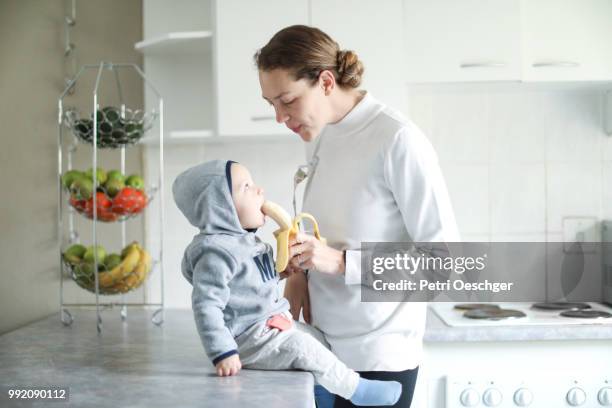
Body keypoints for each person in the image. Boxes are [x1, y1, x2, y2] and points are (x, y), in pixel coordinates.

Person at [254, 25, 459, 407]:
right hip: (322, 349)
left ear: (326, 82)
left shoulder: (396, 139)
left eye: (288, 100)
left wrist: (340, 263)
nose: (280, 117)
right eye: (272, 105)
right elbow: (335, 224)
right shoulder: (324, 134)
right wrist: (301, 273)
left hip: (378, 360)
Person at [172, 159, 403, 406]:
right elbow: (205, 305)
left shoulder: (244, 242)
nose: (259, 190)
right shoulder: (216, 252)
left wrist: (282, 272)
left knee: (318, 340)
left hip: (269, 325)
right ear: (219, 207)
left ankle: (323, 397)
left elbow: (251, 283)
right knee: (303, 347)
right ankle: (358, 391)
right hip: (250, 338)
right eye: (246, 187)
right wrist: (222, 352)